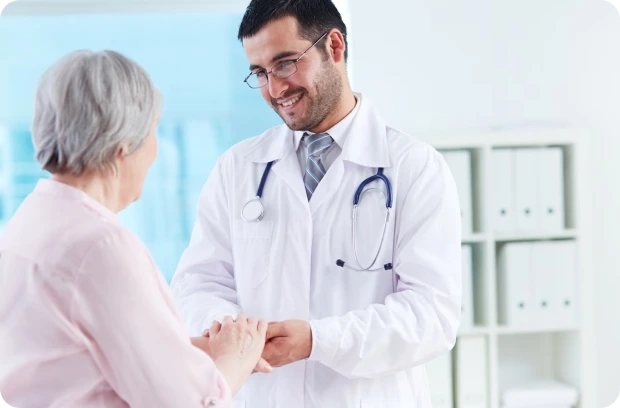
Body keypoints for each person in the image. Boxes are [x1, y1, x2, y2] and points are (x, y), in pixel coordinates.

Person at [171, 0, 462, 406]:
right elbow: (197, 283)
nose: (275, 90)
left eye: (286, 63)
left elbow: (431, 316)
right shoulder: (238, 168)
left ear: (335, 47)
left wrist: (317, 341)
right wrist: (233, 333)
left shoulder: (415, 168)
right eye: (260, 73)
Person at [0, 50, 270, 408]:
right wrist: (236, 359)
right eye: (153, 131)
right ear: (122, 147)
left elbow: (70, 357)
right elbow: (190, 403)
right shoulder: (100, 247)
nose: (156, 150)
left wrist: (184, 352)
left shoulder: (30, 222)